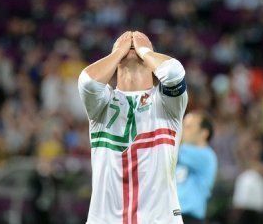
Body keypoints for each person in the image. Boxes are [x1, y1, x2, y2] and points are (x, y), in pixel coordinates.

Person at [78, 31, 188, 224]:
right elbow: (88, 82)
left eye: (138, 42)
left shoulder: (167, 104)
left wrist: (144, 50)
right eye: (126, 42)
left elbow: (173, 73)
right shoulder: (102, 104)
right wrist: (118, 53)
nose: (132, 38)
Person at [176, 111, 217, 224]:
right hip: (171, 215)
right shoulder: (182, 152)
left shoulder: (206, 155)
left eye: (188, 127)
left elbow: (170, 151)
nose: (182, 130)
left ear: (204, 133)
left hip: (189, 218)